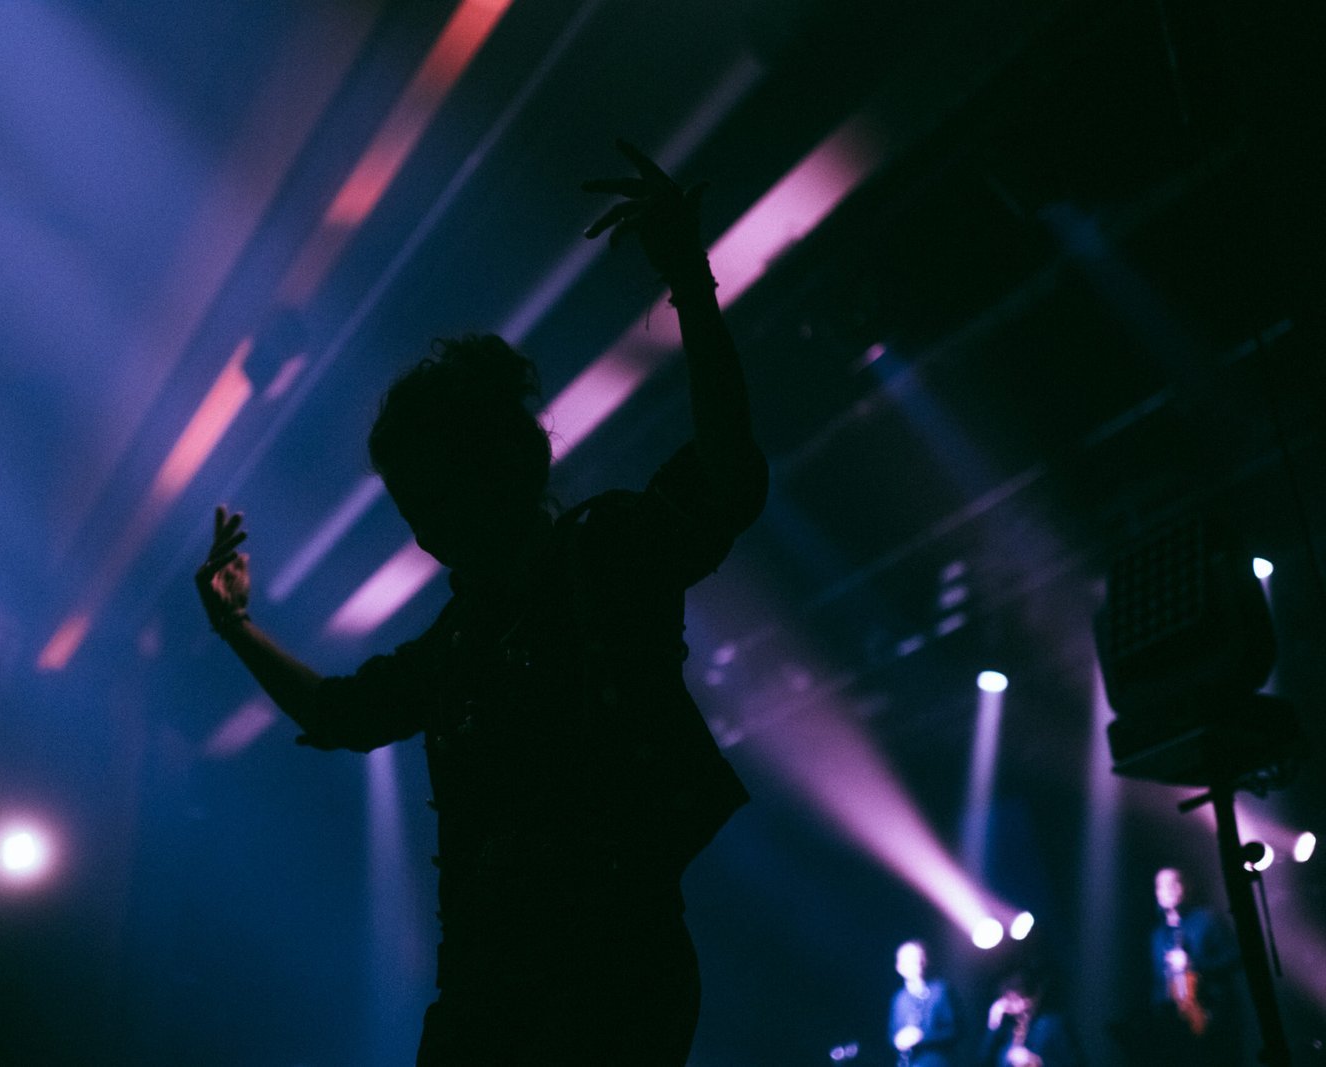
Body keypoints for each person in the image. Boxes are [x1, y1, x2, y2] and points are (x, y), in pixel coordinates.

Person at [193, 140, 767, 1065]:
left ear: (503, 469)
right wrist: (235, 627)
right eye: (411, 510)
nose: (424, 531)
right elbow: (342, 712)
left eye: (436, 499)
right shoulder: (460, 640)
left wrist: (691, 286)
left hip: (610, 975)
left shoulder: (601, 553)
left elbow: (727, 476)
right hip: (487, 995)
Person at [1148, 866, 1243, 1065]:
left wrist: (1194, 965)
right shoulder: (1158, 935)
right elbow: (1158, 982)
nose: (1170, 889)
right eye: (1162, 885)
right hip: (1174, 1022)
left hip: (1212, 1015)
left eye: (1175, 883)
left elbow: (1235, 957)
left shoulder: (1207, 920)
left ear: (1187, 887)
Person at [978, 968, 1082, 1067]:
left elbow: (1074, 1063)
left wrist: (1037, 1062)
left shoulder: (1051, 1025)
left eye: (1014, 996)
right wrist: (993, 1022)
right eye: (1005, 996)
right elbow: (984, 1061)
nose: (1007, 1002)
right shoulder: (1007, 1027)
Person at [890, 940, 961, 1067]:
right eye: (909, 960)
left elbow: (957, 1030)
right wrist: (898, 1040)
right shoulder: (899, 998)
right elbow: (891, 1034)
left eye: (918, 957)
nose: (917, 963)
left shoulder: (941, 991)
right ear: (899, 967)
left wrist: (922, 1037)